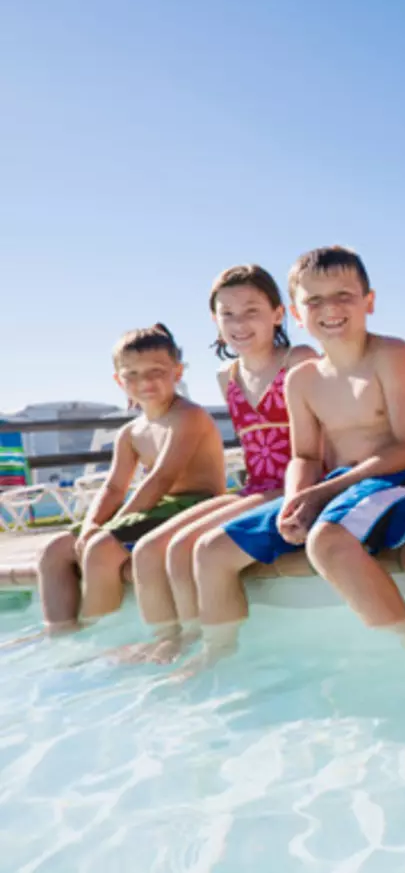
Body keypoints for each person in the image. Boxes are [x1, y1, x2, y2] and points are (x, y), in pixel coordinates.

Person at [186, 247, 405, 673]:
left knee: (326, 542)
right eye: (313, 300)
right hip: (339, 489)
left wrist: (320, 493)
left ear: (369, 300)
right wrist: (295, 499)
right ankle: (221, 657)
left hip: (404, 482)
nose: (329, 309)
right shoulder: (303, 378)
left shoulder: (391, 355)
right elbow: (305, 454)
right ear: (295, 312)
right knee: (211, 550)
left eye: (343, 295)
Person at [119, 266, 316, 663]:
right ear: (215, 321)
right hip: (257, 487)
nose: (239, 323)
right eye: (227, 314)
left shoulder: (300, 359)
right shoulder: (227, 375)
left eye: (251, 311)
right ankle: (172, 639)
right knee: (153, 549)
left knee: (201, 551)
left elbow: (317, 443)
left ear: (278, 313)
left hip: (302, 482)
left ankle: (217, 649)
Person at [34, 324, 227, 634]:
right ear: (118, 381)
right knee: (54, 551)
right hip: (158, 509)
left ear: (177, 372)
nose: (145, 381)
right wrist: (92, 525)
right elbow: (113, 487)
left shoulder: (188, 416)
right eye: (132, 374)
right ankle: (59, 631)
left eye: (156, 371)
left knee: (100, 548)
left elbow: (162, 478)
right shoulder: (131, 432)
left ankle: (100, 634)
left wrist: (107, 531)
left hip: (195, 505)